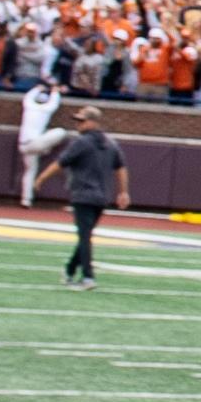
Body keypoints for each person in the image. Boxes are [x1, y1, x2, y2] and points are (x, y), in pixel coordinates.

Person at [46, 107, 125, 290]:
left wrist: (41, 178)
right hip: (101, 197)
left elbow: (60, 162)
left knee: (84, 237)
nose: (78, 124)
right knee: (85, 236)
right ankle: (70, 270)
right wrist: (123, 191)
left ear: (93, 122)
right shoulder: (111, 143)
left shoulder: (81, 143)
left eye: (82, 121)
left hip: (83, 196)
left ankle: (88, 276)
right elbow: (121, 168)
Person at [15, 76, 61, 206]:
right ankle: (46, 149)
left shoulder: (29, 106)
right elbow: (54, 103)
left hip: (23, 145)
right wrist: (55, 91)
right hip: (35, 143)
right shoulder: (46, 109)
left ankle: (26, 200)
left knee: (29, 171)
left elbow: (28, 97)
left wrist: (37, 89)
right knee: (61, 132)